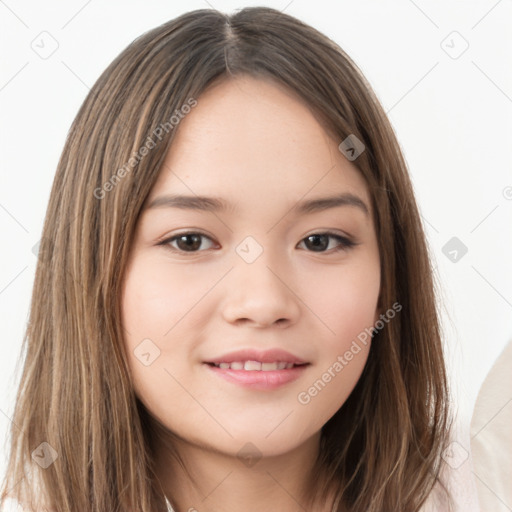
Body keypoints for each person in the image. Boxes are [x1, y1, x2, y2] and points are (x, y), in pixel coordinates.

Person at [0, 6, 468, 511]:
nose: (263, 303)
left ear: (388, 278)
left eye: (320, 241)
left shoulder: (488, 482)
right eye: (190, 241)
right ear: (92, 271)